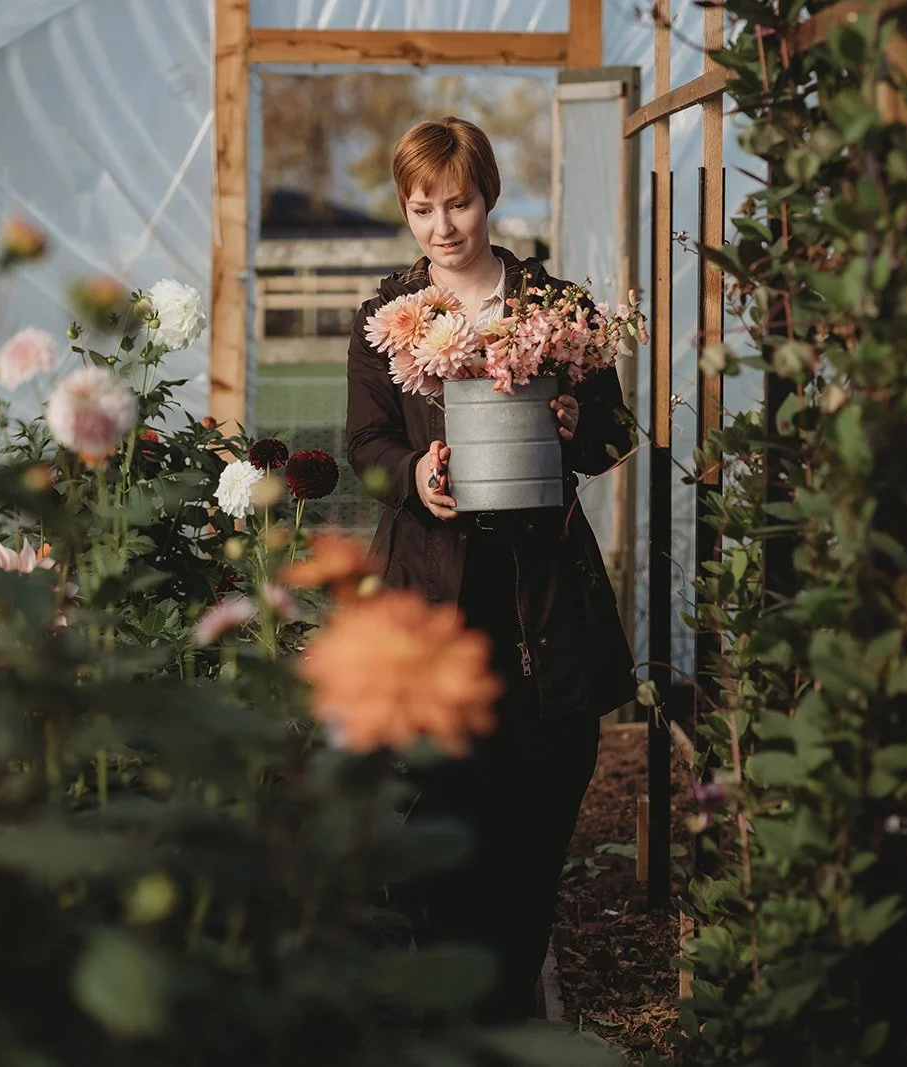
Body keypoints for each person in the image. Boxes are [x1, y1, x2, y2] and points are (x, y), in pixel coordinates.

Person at [344, 116, 638, 1022]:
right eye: (423, 208)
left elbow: (614, 432)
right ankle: (451, 1014)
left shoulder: (554, 307)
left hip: (539, 611)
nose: (443, 226)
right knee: (442, 828)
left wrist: (569, 429)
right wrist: (412, 473)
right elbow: (364, 443)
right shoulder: (388, 319)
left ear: (490, 198)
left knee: (533, 830)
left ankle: (507, 1007)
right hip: (430, 602)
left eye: (459, 203)